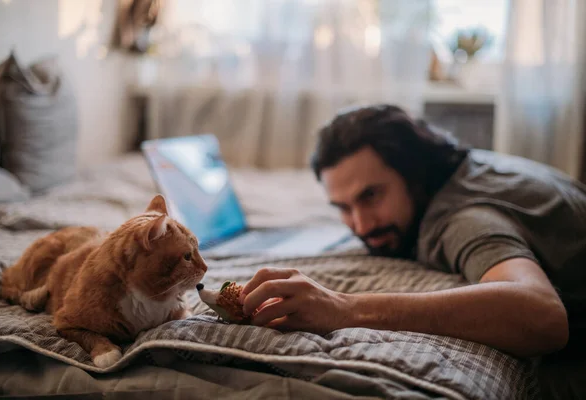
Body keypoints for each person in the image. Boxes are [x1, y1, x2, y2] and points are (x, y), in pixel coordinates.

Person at [238, 104, 586, 362]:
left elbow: (543, 316)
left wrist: (344, 307)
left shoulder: (463, 221)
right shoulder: (469, 166)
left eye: (371, 196)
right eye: (343, 208)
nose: (360, 226)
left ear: (415, 175)